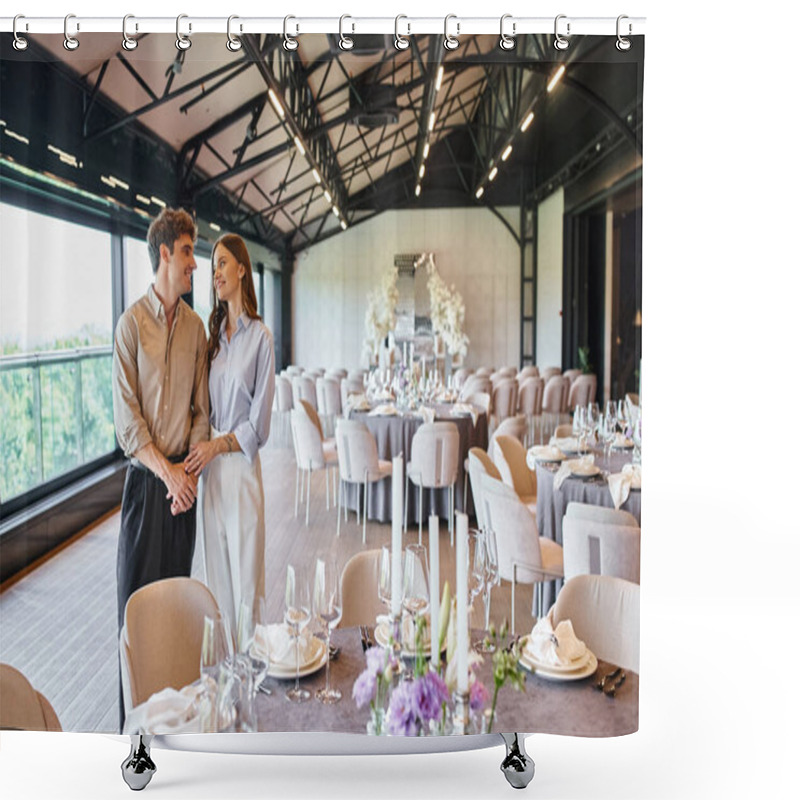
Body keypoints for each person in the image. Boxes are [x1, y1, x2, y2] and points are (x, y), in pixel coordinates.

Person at [112, 207, 210, 730]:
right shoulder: (130, 326)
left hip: (183, 494)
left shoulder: (196, 328)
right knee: (134, 616)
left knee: (176, 614)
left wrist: (189, 474)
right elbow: (127, 422)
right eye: (190, 252)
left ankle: (180, 732)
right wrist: (168, 474)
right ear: (165, 254)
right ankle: (133, 738)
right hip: (146, 490)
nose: (196, 264)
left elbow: (201, 411)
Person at [183, 233, 275, 629]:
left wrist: (217, 446)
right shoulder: (213, 340)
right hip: (211, 472)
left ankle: (253, 683)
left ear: (241, 268)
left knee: (246, 588)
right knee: (218, 583)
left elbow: (259, 426)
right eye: (213, 265)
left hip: (239, 466)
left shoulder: (261, 338)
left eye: (222, 263)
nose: (215, 272)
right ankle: (226, 680)